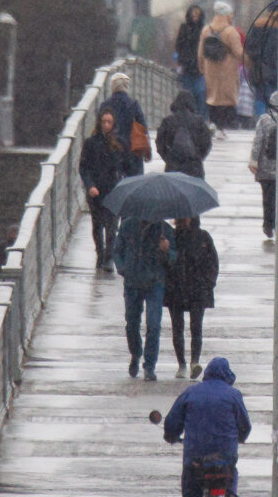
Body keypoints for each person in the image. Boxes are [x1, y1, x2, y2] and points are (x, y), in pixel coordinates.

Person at [162, 357, 252, 497]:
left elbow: (172, 423)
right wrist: (237, 438)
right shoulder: (233, 395)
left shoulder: (191, 393)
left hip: (196, 461)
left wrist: (171, 436)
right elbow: (245, 427)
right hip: (224, 458)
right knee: (231, 470)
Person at [112, 218, 176, 380]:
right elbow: (117, 250)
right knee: (132, 323)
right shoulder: (127, 226)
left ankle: (149, 365)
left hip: (155, 283)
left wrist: (166, 250)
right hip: (132, 282)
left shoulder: (164, 229)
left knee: (154, 324)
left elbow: (174, 258)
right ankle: (135, 352)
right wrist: (123, 268)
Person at [164, 216, 218, 380]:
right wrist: (165, 252)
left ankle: (195, 362)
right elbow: (164, 264)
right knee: (177, 328)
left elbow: (213, 263)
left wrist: (207, 284)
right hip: (176, 290)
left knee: (196, 328)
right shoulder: (171, 237)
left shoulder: (203, 237)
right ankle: (181, 364)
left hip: (197, 291)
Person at [78, 107, 128, 270]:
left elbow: (126, 166)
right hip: (96, 192)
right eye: (104, 121)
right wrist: (90, 185)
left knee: (112, 226)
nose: (106, 125)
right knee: (97, 225)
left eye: (109, 122)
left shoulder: (119, 143)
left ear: (113, 124)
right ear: (99, 123)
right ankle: (100, 253)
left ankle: (108, 258)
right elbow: (83, 167)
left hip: (113, 190)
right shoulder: (91, 143)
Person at [197, 0, 245, 139]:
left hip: (210, 69)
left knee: (212, 97)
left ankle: (213, 122)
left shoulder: (206, 30)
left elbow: (201, 51)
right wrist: (249, 59)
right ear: (226, 15)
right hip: (227, 70)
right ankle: (221, 127)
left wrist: (202, 66)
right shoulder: (231, 31)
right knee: (226, 98)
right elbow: (238, 52)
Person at [99, 72, 149, 175]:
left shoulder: (105, 105)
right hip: (132, 149)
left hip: (110, 147)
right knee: (134, 182)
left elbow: (99, 127)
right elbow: (143, 127)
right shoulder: (133, 104)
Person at [155, 91, 213, 179]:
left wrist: (168, 157)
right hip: (194, 166)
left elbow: (159, 142)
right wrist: (198, 157)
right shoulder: (199, 121)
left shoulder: (168, 121)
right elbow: (207, 143)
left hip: (173, 164)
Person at [244, 1, 278, 118]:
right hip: (277, 67)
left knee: (260, 96)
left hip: (260, 67)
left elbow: (249, 46)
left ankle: (262, 120)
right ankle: (273, 121)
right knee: (276, 97)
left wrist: (254, 60)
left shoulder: (258, 24)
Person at [174, 5, 207, 120]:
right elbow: (179, 46)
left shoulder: (203, 29)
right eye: (193, 15)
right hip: (187, 67)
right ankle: (189, 117)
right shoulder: (184, 28)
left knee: (200, 93)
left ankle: (200, 118)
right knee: (188, 94)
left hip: (199, 67)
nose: (195, 18)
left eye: (197, 15)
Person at [249, 106, 277, 238]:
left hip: (266, 169)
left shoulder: (265, 120)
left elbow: (257, 142)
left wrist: (254, 161)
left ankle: (268, 224)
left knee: (267, 197)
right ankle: (277, 222)